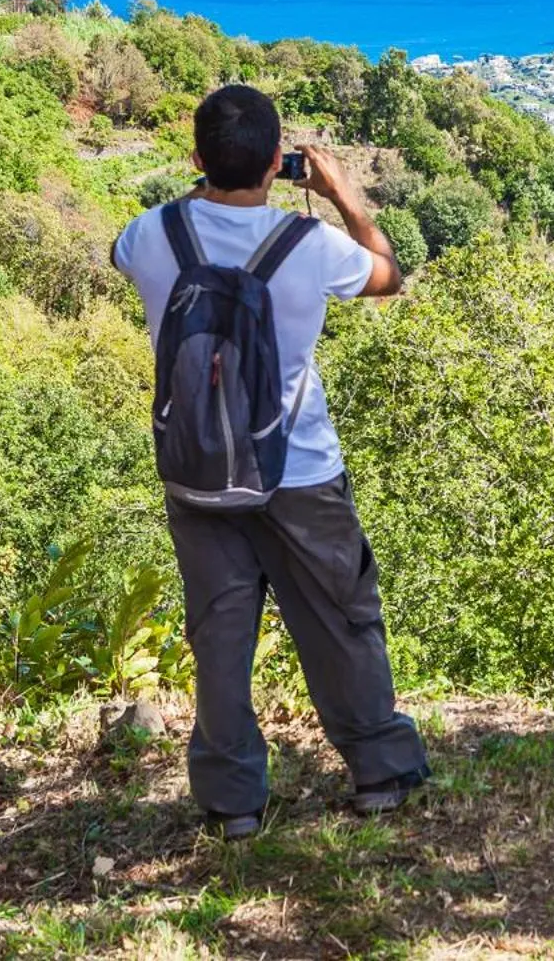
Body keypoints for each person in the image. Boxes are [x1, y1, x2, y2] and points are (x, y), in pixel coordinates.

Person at [112, 84, 427, 837]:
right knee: (342, 616)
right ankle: (380, 769)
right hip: (299, 468)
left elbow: (125, 249)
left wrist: (208, 184)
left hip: (196, 467)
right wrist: (346, 196)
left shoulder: (152, 234)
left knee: (220, 632)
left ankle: (233, 804)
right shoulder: (310, 245)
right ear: (277, 161)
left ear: (197, 159)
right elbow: (389, 276)